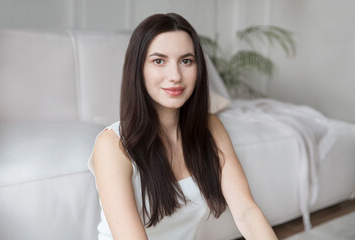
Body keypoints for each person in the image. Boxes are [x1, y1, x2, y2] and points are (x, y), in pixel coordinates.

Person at [88, 12, 278, 240]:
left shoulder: (211, 128)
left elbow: (246, 212)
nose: (175, 75)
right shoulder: (113, 144)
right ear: (138, 69)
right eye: (159, 61)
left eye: (186, 61)